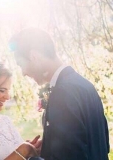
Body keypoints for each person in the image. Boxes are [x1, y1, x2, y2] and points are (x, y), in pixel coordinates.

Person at [9, 28, 110, 160]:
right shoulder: (85, 85)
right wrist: (47, 148)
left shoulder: (61, 93)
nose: (23, 73)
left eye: (21, 64)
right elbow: (101, 144)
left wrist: (29, 157)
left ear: (34, 57)